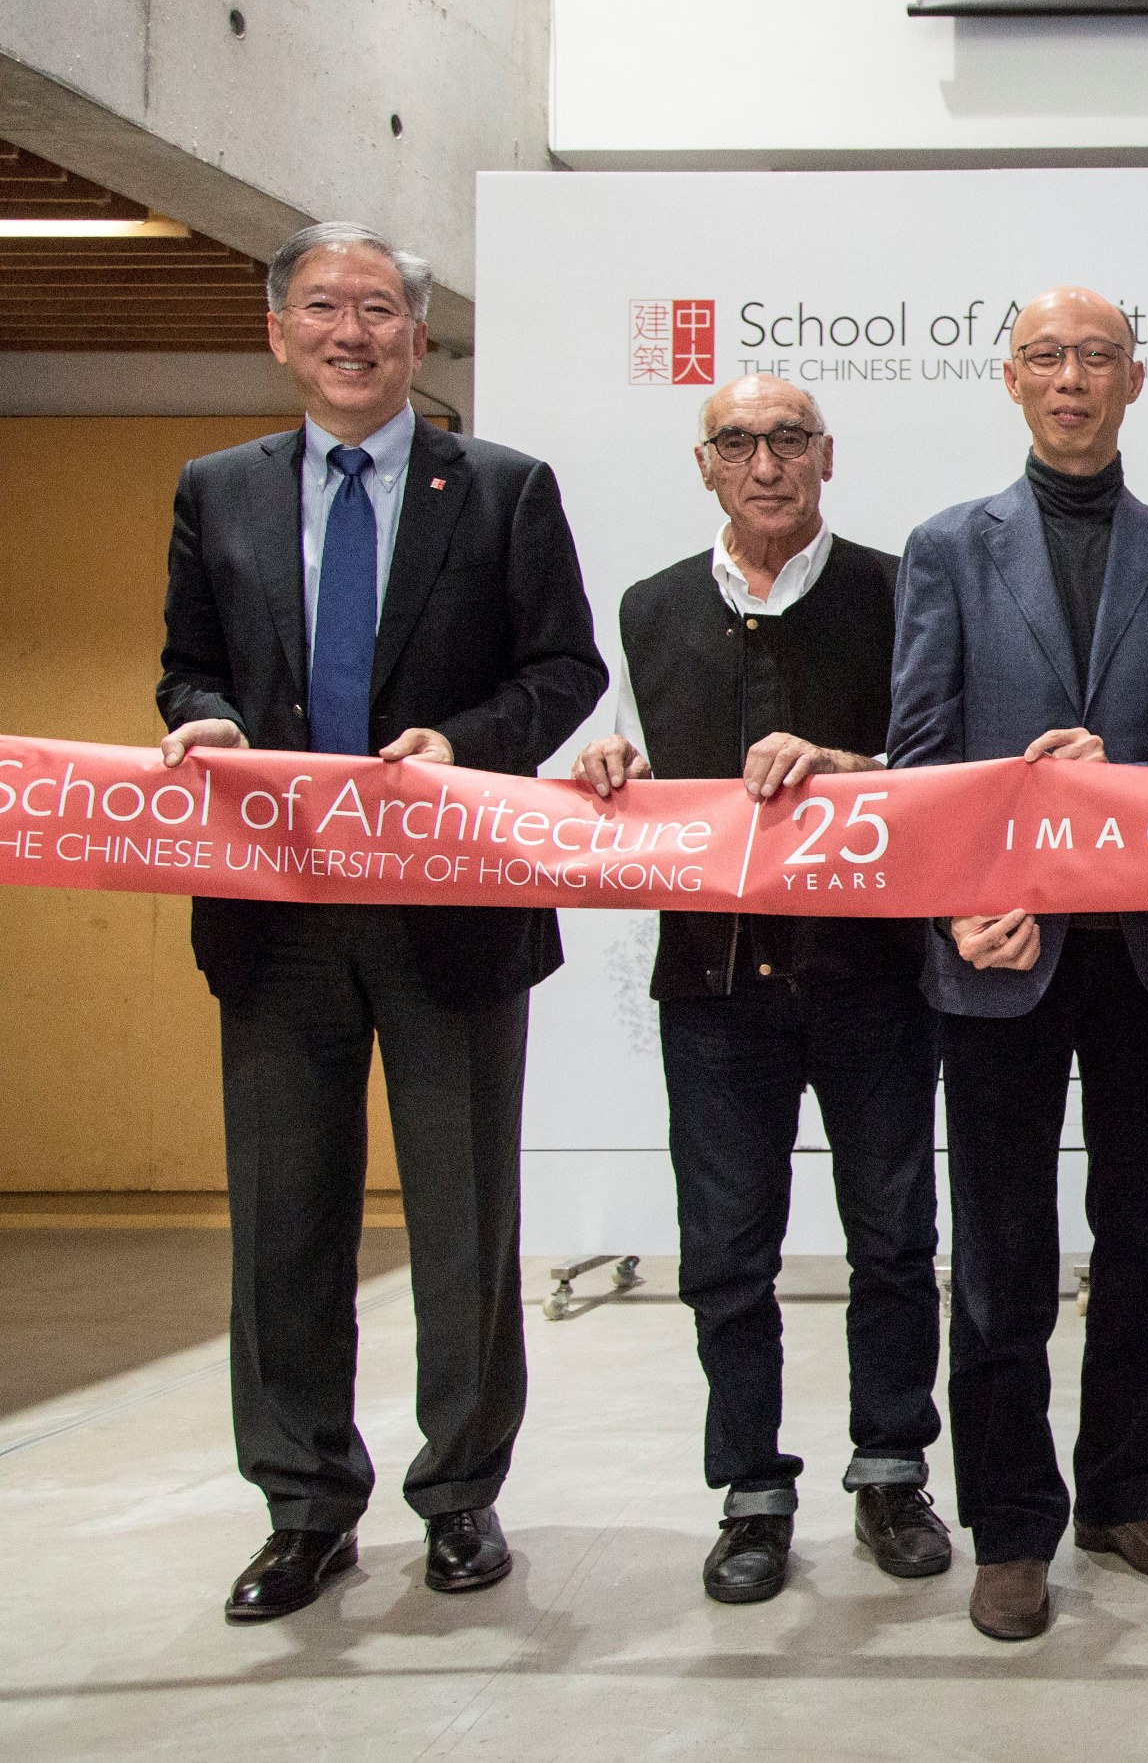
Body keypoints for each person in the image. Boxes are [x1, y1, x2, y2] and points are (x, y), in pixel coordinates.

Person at [157, 222, 605, 1620]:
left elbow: (564, 667)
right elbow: (184, 670)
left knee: (466, 1223)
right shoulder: (215, 491)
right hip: (276, 913)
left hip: (454, 909)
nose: (352, 333)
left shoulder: (502, 489)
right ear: (279, 333)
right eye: (322, 309)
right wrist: (203, 721)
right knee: (285, 1223)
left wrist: (460, 744)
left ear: (420, 337)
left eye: (379, 311)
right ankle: (303, 1505)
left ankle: (460, 1494)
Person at [569, 376, 948, 1606]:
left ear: (827, 457)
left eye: (790, 440)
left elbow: (945, 776)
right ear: (705, 464)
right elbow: (639, 756)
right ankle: (751, 1490)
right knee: (724, 1250)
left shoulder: (901, 589)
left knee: (893, 1237)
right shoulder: (651, 606)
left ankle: (892, 1466)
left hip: (871, 975)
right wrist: (609, 761)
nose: (766, 463)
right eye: (738, 442)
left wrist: (850, 765)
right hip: (714, 980)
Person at [889, 287, 1148, 1642]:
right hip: (1000, 951)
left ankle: (1121, 1488)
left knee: (1142, 1244)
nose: (1072, 378)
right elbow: (919, 760)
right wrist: (957, 904)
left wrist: (1130, 779)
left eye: (1097, 357)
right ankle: (1013, 1525)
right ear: (1011, 378)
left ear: (1136, 381)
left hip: (1147, 951)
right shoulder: (946, 549)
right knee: (1002, 1252)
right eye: (1047, 356)